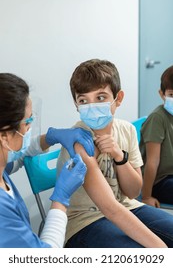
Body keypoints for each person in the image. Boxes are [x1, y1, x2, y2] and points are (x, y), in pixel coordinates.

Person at [57, 59, 173, 248]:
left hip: (128, 207)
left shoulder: (126, 130)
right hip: (86, 222)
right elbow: (110, 208)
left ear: (118, 99)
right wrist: (161, 250)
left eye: (100, 97)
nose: (92, 106)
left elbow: (133, 192)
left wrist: (119, 156)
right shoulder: (79, 139)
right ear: (76, 104)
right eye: (83, 100)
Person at [0, 73, 94, 248]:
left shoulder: (3, 165)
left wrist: (50, 137)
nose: (30, 128)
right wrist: (61, 198)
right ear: (4, 136)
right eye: (27, 122)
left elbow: (19, 155)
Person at [139, 65, 173, 207]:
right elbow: (152, 161)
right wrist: (146, 196)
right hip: (158, 181)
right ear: (162, 94)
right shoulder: (157, 118)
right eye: (171, 94)